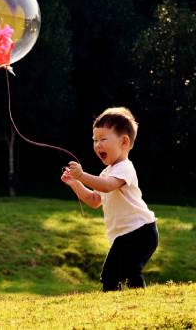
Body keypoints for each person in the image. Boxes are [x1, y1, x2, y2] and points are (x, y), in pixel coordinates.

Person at [61, 107, 158, 291]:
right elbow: (94, 200)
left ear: (124, 141)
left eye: (103, 139)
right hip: (126, 235)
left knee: (118, 273)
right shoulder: (107, 172)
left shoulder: (125, 168)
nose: (98, 145)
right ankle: (124, 304)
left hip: (140, 231)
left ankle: (135, 303)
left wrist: (82, 175)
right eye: (95, 140)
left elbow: (106, 186)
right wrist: (75, 183)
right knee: (117, 274)